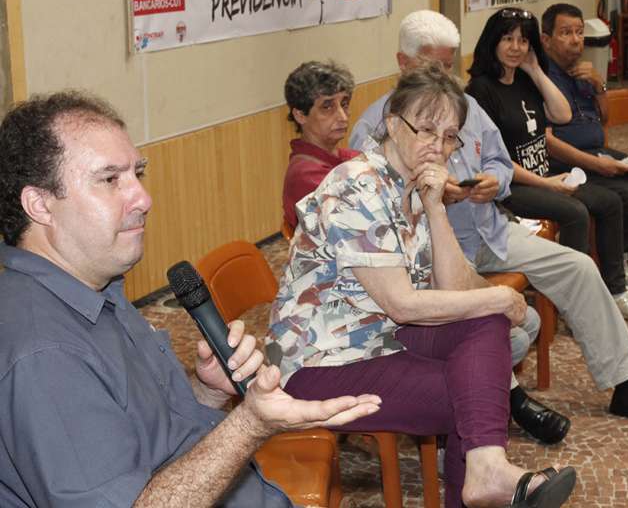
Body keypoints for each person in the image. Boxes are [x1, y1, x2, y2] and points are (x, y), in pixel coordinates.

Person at [0, 91, 380, 507]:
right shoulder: (44, 353)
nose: (143, 199)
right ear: (39, 204)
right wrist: (249, 424)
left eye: (137, 174)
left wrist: (206, 392)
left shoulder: (95, 285)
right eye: (110, 180)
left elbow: (145, 437)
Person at [350, 10, 628, 445]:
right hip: (429, 253)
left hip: (490, 230)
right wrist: (429, 195)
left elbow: (497, 159)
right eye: (431, 65)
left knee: (579, 267)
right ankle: (507, 399)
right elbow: (375, 207)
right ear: (403, 62)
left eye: (448, 64)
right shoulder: (377, 124)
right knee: (507, 321)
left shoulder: (467, 106)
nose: (443, 75)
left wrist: (495, 181)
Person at [268, 65, 578, 508]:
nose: (439, 145)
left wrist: (434, 208)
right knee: (474, 402)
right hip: (319, 363)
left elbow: (454, 292)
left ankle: (486, 472)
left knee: (482, 331)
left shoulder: (413, 185)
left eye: (450, 135)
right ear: (393, 125)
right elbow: (402, 304)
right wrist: (503, 295)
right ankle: (485, 474)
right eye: (427, 129)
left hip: (378, 340)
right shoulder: (356, 186)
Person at [537, 3, 628, 319]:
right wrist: (597, 166)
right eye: (566, 33)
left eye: (579, 32)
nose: (576, 40)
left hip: (597, 152)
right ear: (546, 39)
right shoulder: (541, 78)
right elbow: (546, 143)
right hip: (568, 164)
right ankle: (614, 280)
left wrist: (599, 86)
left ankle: (621, 254)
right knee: (627, 194)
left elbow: (604, 118)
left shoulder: (583, 71)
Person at [282, 60, 361, 229]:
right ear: (300, 115)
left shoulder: (350, 157)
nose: (343, 117)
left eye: (344, 104)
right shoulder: (305, 176)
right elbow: (354, 226)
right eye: (327, 107)